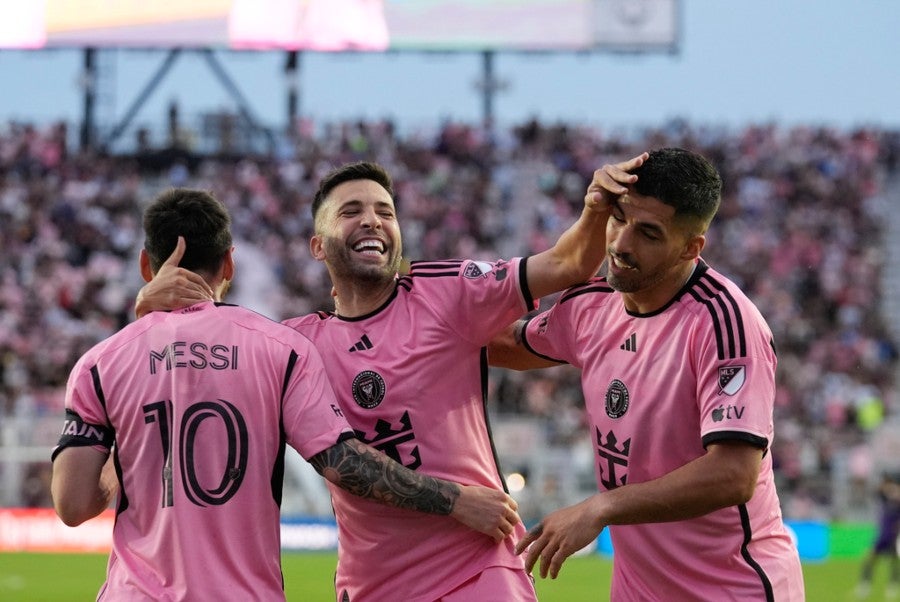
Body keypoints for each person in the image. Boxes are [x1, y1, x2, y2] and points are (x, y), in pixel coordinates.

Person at [135, 157, 644, 601]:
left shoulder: (445, 293)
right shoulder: (292, 344)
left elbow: (570, 262)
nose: (372, 220)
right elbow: (187, 384)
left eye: (385, 211)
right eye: (351, 211)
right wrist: (151, 316)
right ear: (318, 245)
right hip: (371, 585)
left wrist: (596, 207)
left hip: (477, 569)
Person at [50, 188, 522, 601]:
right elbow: (343, 462)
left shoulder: (101, 362)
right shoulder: (280, 348)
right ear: (230, 262)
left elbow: (72, 505)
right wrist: (455, 499)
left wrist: (134, 449)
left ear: (144, 265)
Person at [489, 148, 805, 601]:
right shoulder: (592, 305)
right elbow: (507, 344)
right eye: (618, 218)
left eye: (649, 233)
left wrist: (602, 507)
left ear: (691, 247)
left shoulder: (725, 323)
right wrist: (394, 306)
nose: (620, 244)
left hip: (734, 591)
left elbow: (735, 473)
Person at [856, 472, 900, 599]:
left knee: (894, 562)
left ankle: (892, 587)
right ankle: (864, 586)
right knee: (870, 559)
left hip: (893, 535)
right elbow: (877, 491)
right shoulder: (886, 495)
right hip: (883, 534)